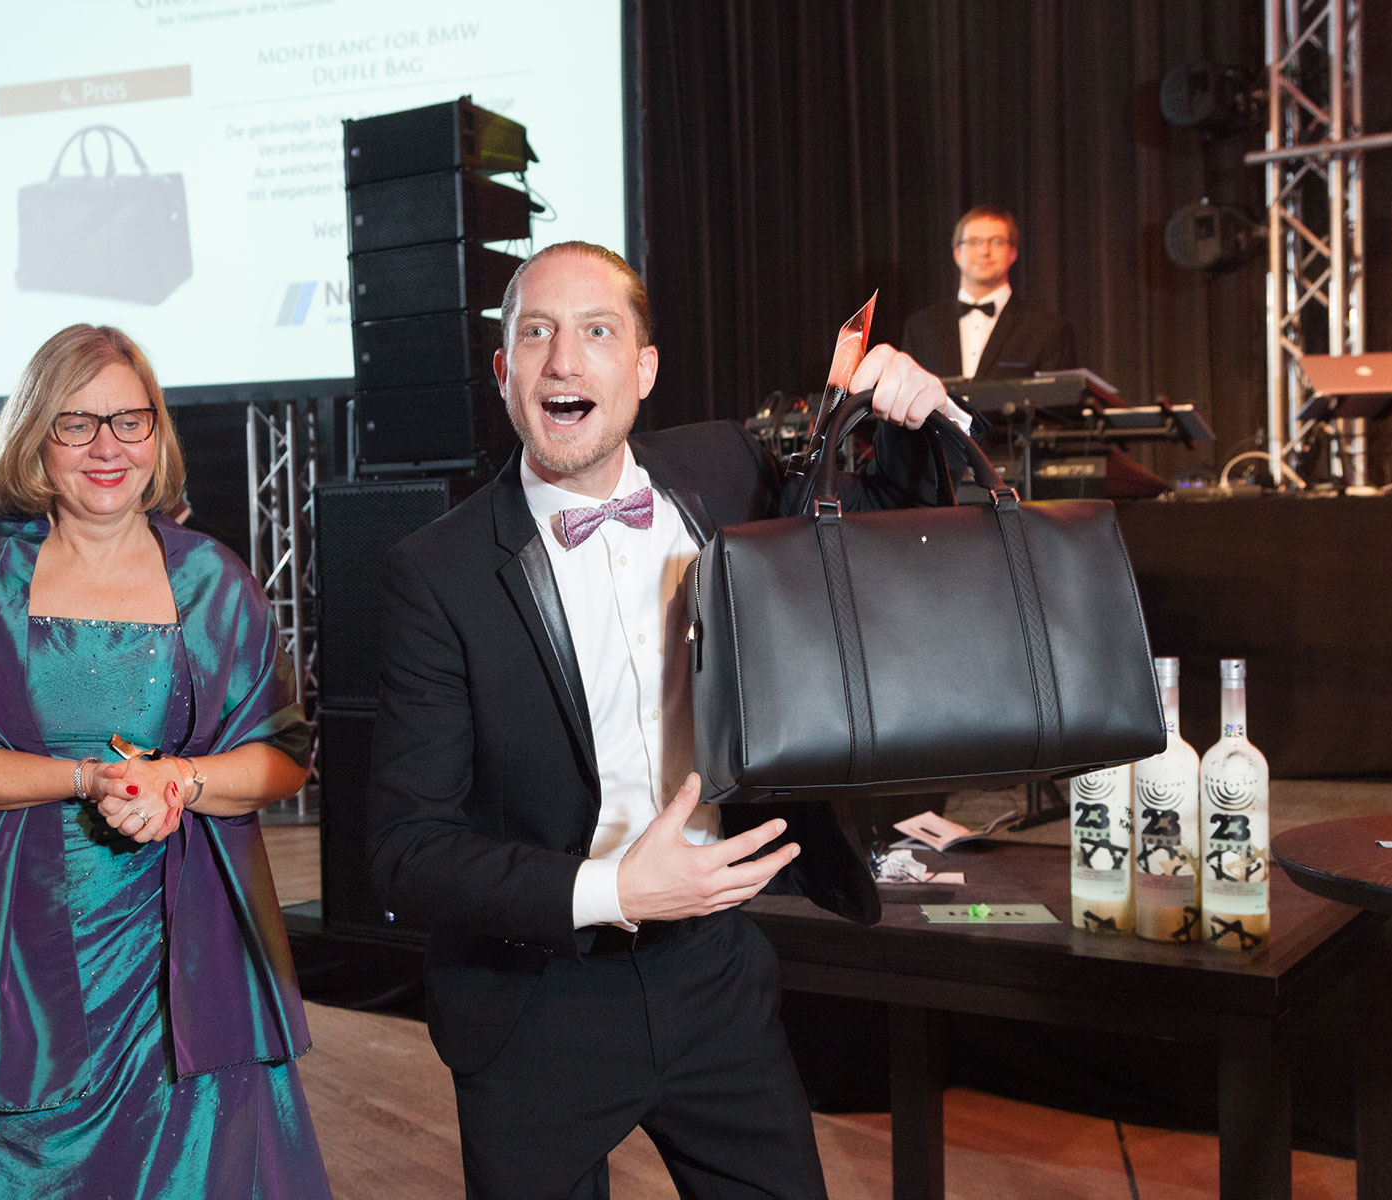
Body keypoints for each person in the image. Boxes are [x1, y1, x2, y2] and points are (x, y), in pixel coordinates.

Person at [366, 241, 974, 1197]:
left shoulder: (723, 470)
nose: (564, 360)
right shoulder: (434, 574)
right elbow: (407, 852)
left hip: (715, 973)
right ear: (505, 371)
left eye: (597, 331)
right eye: (537, 334)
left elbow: (895, 521)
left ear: (645, 369)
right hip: (533, 998)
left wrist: (910, 416)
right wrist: (612, 889)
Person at [0, 324, 330, 1198]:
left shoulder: (214, 580)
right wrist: (86, 778)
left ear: (157, 432)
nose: (107, 447)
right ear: (35, 438)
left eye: (129, 420)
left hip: (186, 953)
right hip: (13, 950)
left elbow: (282, 756)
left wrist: (181, 780)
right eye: (76, 423)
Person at [900, 205, 1076, 379]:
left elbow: (1058, 396)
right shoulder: (920, 328)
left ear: (1013, 252)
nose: (984, 251)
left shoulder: (1048, 330)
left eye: (996, 241)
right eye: (974, 241)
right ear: (957, 253)